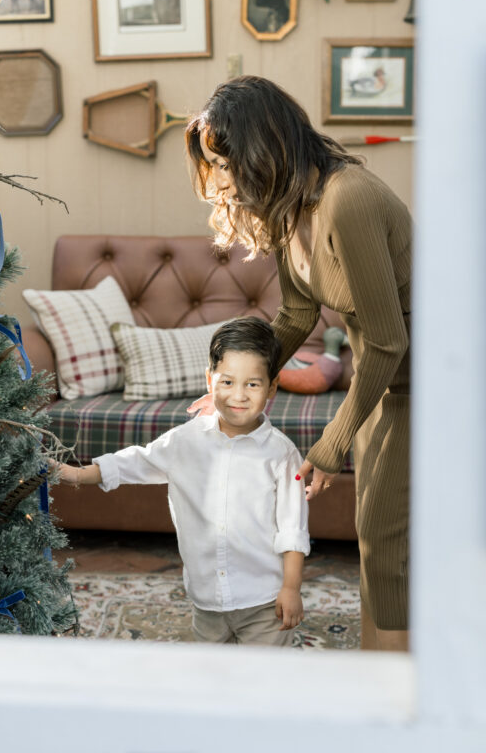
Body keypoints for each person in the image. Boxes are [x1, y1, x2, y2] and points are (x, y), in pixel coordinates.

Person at [185, 77, 411, 653]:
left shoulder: (347, 198)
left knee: (387, 541)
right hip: (385, 382)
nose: (223, 178)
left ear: (265, 145)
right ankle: (379, 670)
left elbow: (387, 341)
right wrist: (238, 386)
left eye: (227, 160)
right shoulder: (292, 209)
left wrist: (332, 442)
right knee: (379, 540)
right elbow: (295, 315)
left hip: (435, 381)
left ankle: (397, 697)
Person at [54, 317, 310, 646]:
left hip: (262, 600)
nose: (239, 395)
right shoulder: (185, 441)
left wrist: (290, 588)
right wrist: (76, 474)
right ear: (210, 380)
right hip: (206, 600)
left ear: (272, 387)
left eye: (253, 384)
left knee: (263, 684)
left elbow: (292, 529)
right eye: (228, 382)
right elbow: (136, 460)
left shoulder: (281, 454)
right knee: (208, 681)